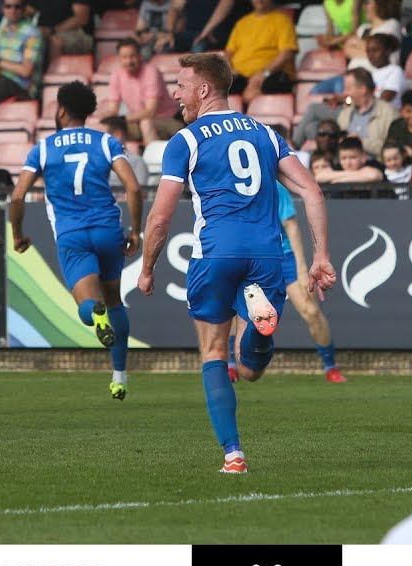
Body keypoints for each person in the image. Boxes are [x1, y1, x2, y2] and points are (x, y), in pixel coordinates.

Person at [138, 52, 336, 473]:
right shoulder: (266, 133)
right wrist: (320, 256)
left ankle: (233, 454)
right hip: (266, 252)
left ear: (204, 90)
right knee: (249, 370)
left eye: (181, 85)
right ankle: (261, 340)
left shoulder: (186, 141)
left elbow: (160, 217)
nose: (176, 94)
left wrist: (147, 266)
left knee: (213, 351)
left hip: (215, 252)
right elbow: (313, 192)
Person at [10, 81, 144, 400]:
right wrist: (135, 231)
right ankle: (120, 377)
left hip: (72, 235)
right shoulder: (106, 142)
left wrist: (17, 233)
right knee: (114, 300)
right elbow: (134, 188)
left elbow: (17, 195)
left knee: (87, 304)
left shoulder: (43, 148)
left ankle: (93, 313)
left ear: (62, 110)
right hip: (108, 230)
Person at [229, 179, 348, 383]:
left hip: (283, 258)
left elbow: (291, 226)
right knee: (234, 311)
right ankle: (231, 365)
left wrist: (302, 270)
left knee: (310, 311)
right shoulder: (231, 185)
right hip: (249, 257)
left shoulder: (274, 186)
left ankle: (330, 367)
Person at [99, 38, 184, 145]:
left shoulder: (151, 72)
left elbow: (150, 111)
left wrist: (120, 118)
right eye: (124, 57)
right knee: (109, 127)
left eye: (132, 56)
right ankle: (117, 160)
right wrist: (107, 118)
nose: (129, 61)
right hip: (137, 121)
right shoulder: (116, 75)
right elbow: (113, 110)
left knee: (146, 122)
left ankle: (153, 160)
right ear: (119, 59)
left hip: (169, 120)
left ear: (140, 56)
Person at [224, 0, 297, 105]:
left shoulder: (283, 21)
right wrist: (230, 72)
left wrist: (263, 74)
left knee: (253, 93)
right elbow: (228, 53)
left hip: (271, 76)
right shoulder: (242, 23)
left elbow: (286, 54)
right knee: (217, 91)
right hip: (240, 76)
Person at [101, 115, 150, 188]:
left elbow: (141, 192)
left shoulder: (136, 161)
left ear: (118, 135)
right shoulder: (95, 159)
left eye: (102, 135)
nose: (97, 139)